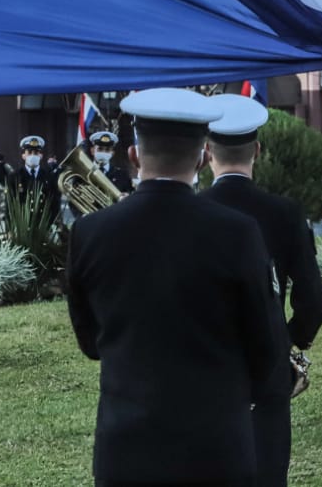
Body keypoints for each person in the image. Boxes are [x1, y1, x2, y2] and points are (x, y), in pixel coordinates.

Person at [66, 88, 284, 487]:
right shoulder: (237, 232)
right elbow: (265, 347)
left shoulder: (89, 231)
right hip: (216, 448)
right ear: (203, 157)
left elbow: (90, 343)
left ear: (133, 156)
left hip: (125, 450)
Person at [201, 94, 322, 487]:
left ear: (208, 152)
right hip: (267, 367)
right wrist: (284, 343)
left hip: (205, 362)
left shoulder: (193, 209)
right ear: (257, 150)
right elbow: (314, 303)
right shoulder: (285, 213)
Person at [12, 135, 62, 225]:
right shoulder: (15, 177)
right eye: (29, 152)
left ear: (41, 156)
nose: (33, 155)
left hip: (44, 225)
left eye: (36, 153)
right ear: (23, 155)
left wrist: (56, 224)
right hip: (22, 226)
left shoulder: (49, 176)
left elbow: (55, 204)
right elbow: (10, 206)